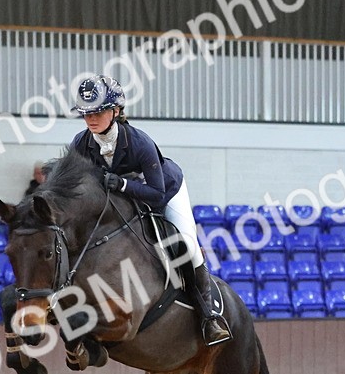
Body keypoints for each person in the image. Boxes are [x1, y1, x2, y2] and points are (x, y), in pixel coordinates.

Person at [68, 74, 231, 346]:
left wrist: (120, 183)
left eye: (97, 112)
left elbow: (156, 195)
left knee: (188, 244)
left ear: (116, 111)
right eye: (86, 114)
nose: (91, 119)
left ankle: (209, 316)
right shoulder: (81, 144)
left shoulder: (139, 143)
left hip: (165, 191)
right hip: (122, 201)